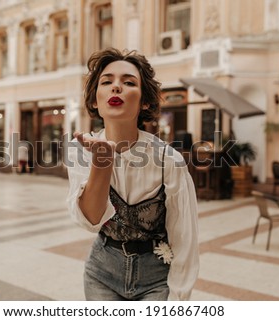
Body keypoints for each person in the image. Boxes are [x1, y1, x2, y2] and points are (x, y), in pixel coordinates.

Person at [66, 48, 199, 300]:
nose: (116, 87)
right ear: (95, 100)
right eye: (107, 82)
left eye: (129, 82)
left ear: (145, 100)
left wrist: (180, 297)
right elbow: (91, 220)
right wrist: (102, 163)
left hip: (157, 279)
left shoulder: (168, 160)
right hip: (101, 275)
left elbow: (184, 236)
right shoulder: (80, 150)